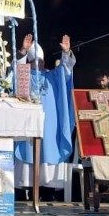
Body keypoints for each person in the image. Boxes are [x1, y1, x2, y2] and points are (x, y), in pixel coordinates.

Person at [14, 34, 76, 196]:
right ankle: (26, 189)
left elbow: (66, 72)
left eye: (40, 61)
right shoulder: (25, 75)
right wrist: (23, 52)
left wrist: (66, 52)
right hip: (28, 123)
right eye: (34, 61)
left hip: (50, 123)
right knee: (28, 149)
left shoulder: (53, 76)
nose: (38, 64)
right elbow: (15, 73)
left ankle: (48, 189)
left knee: (49, 148)